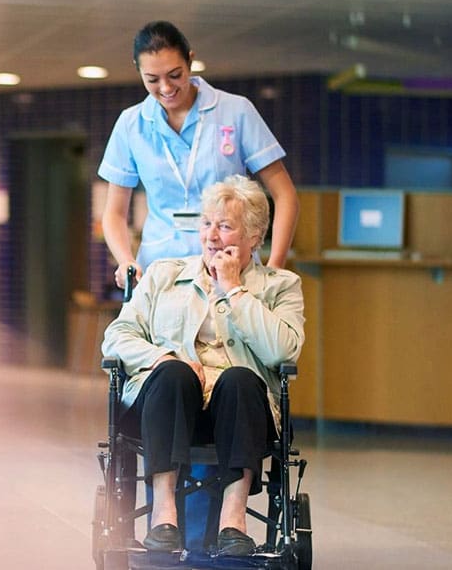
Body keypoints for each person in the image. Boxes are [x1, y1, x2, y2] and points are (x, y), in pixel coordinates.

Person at [102, 175, 305, 556]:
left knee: (241, 380)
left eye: (226, 227)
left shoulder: (281, 286)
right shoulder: (164, 275)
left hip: (238, 410)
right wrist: (160, 357)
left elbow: (283, 350)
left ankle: (234, 521)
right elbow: (117, 336)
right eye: (207, 224)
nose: (212, 236)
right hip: (170, 402)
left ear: (254, 237)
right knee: (174, 372)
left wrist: (235, 291)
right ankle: (164, 516)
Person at [99, 20, 299, 287]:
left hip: (229, 268)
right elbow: (114, 213)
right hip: (159, 270)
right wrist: (126, 261)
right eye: (152, 79)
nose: (166, 88)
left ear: (190, 60)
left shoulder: (235, 111)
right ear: (138, 71)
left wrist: (274, 270)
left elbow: (285, 194)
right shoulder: (131, 124)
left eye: (174, 75)